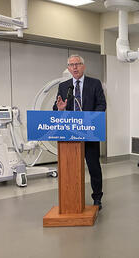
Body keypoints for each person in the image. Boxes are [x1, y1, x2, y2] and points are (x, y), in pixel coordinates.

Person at [53, 54, 106, 210]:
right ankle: (71, 197)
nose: (74, 67)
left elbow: (102, 105)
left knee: (94, 167)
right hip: (69, 135)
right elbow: (56, 107)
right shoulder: (63, 86)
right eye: (71, 65)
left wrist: (89, 119)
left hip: (89, 132)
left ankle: (97, 198)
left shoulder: (94, 84)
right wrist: (60, 109)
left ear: (83, 66)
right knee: (70, 168)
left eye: (77, 64)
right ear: (68, 68)